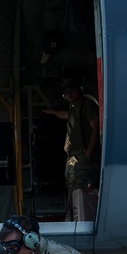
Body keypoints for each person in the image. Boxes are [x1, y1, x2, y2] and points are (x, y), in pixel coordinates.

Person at [43, 78, 101, 221]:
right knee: (72, 189)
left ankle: (82, 220)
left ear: (79, 90)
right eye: (66, 93)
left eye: (71, 91)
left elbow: (96, 129)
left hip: (82, 156)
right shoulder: (74, 109)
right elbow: (65, 115)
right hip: (72, 157)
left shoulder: (87, 106)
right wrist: (51, 112)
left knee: (80, 188)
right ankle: (73, 218)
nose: (69, 94)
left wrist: (88, 154)